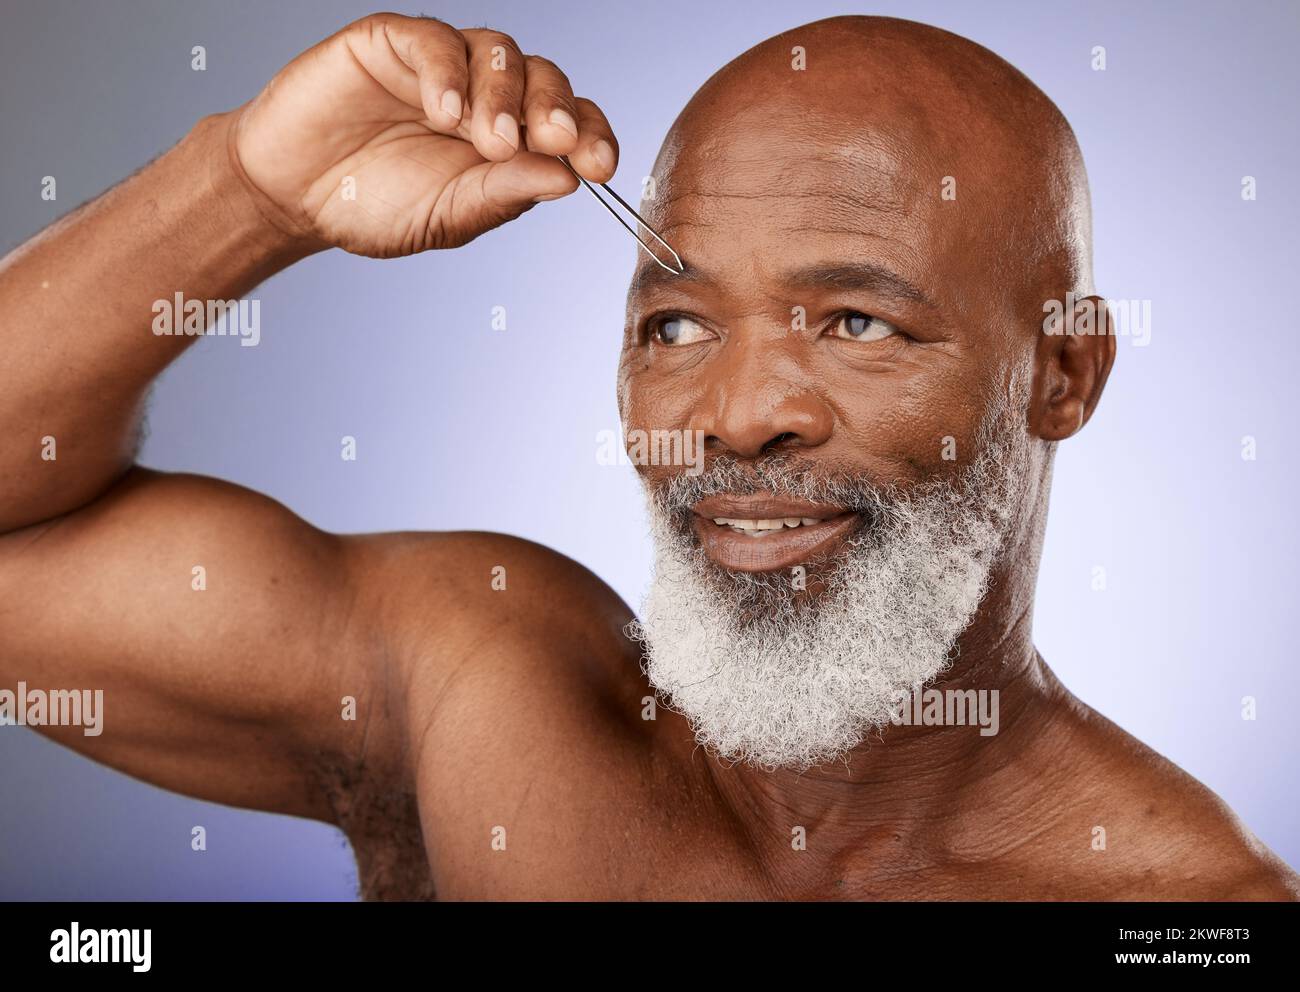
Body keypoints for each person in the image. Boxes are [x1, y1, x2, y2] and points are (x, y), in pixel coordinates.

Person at [0, 12, 1293, 900]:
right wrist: (250, 192)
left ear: (1061, 373)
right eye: (675, 323)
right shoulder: (477, 694)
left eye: (855, 321)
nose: (734, 415)